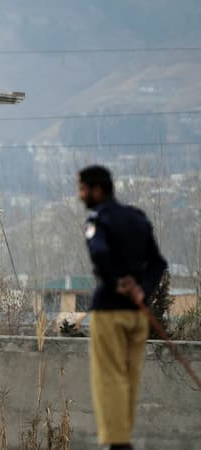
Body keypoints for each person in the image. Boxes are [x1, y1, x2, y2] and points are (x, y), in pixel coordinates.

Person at [78, 165, 167, 450]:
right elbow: (158, 263)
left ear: (98, 190)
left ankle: (117, 444)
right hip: (137, 314)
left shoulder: (98, 221)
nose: (80, 196)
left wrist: (116, 281)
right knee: (129, 378)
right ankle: (123, 438)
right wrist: (142, 288)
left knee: (109, 378)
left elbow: (99, 251)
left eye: (82, 189)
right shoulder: (138, 219)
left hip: (109, 312)